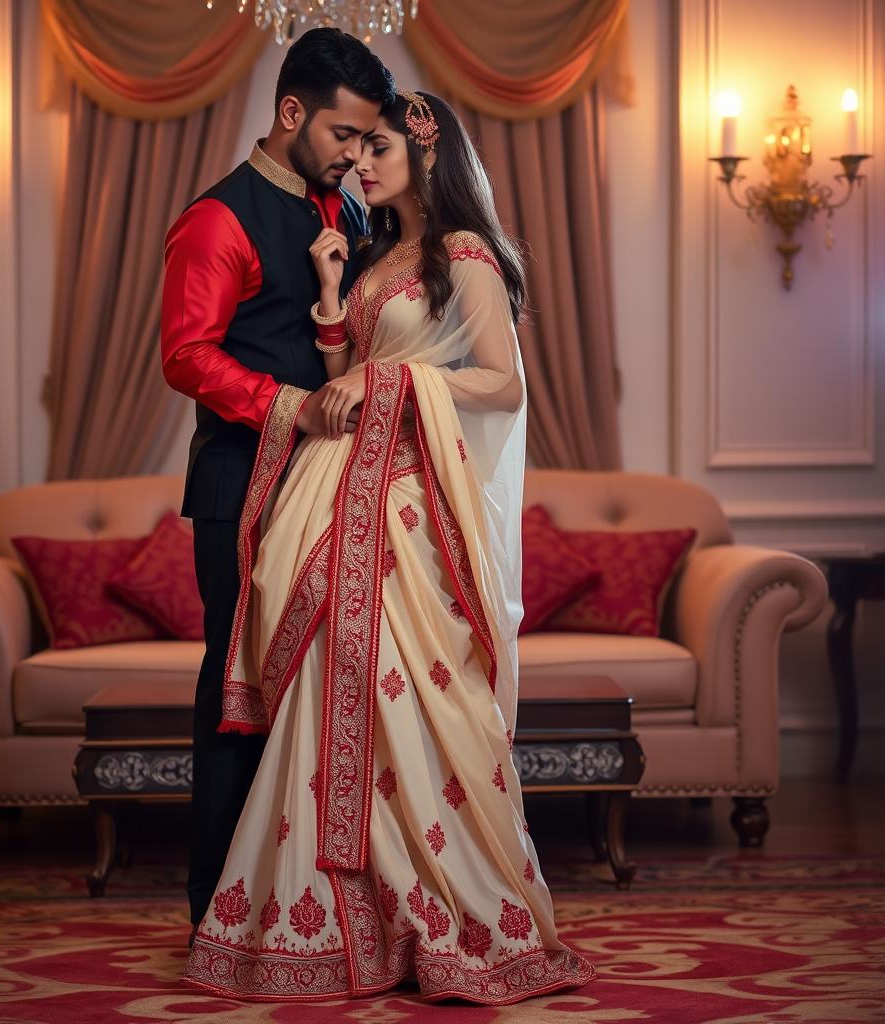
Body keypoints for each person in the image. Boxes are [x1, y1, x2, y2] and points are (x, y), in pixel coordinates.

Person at [182, 90, 595, 1004]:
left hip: (410, 514)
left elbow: (500, 385)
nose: (362, 166)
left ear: (427, 153)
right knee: (332, 697)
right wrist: (333, 296)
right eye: (357, 149)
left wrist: (396, 381)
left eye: (380, 150)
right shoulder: (374, 256)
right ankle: (340, 919)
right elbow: (344, 383)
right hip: (341, 498)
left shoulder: (464, 255)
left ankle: (445, 916)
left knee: (416, 704)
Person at [160, 28, 396, 943]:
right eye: (343, 133)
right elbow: (186, 357)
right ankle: (213, 914)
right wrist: (290, 405)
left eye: (365, 138)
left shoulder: (343, 210)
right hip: (239, 488)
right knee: (240, 691)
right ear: (291, 112)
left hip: (334, 488)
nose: (355, 155)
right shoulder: (217, 219)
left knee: (326, 693)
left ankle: (313, 911)